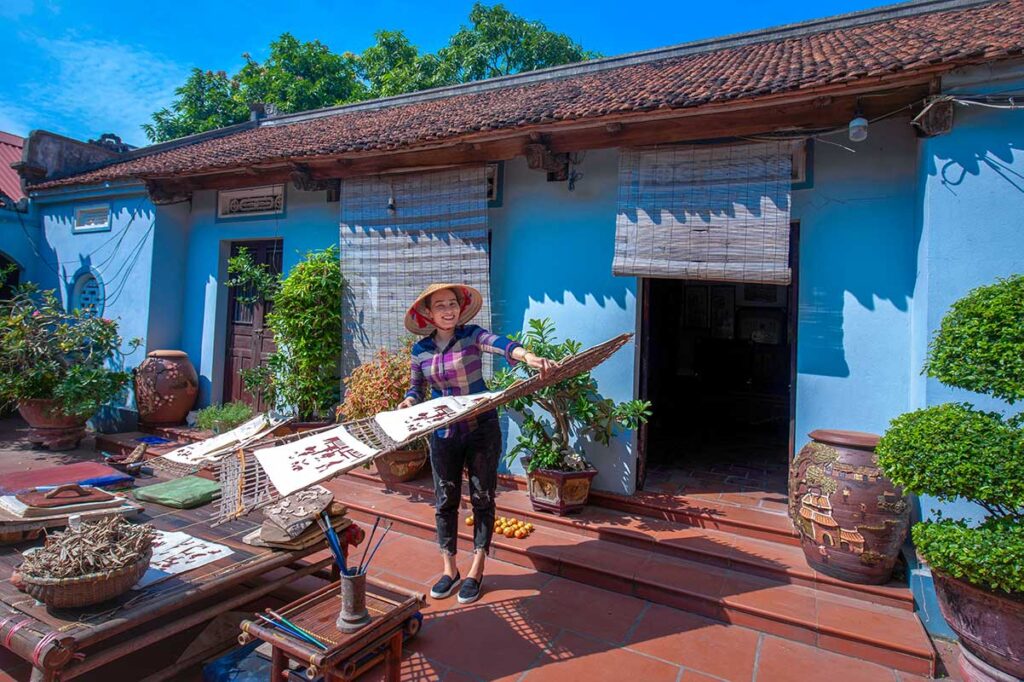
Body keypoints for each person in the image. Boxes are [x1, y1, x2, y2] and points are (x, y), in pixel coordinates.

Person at [399, 283, 552, 604]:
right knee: (445, 500)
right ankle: (450, 568)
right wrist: (408, 402)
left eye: (452, 303)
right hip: (443, 432)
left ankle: (476, 569)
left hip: (481, 428)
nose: (448, 310)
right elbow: (416, 389)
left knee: (482, 497)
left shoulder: (471, 335)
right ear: (427, 313)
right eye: (439, 305)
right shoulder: (420, 351)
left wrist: (529, 356)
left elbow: (501, 345)